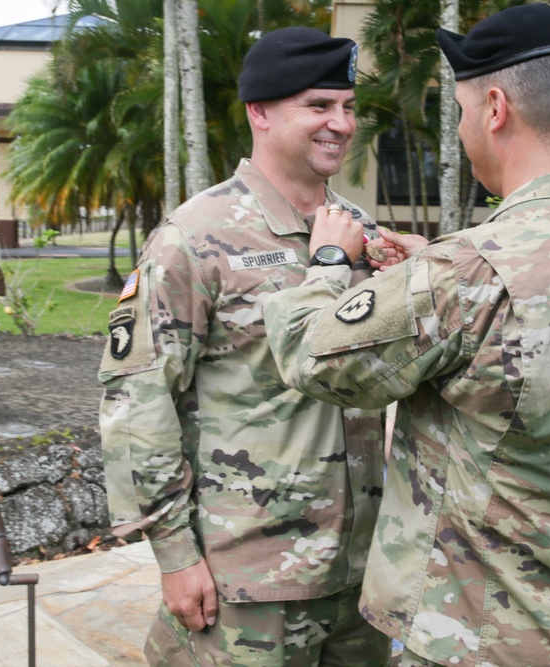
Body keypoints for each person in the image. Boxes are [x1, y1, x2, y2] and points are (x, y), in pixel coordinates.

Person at [263, 5, 550, 666]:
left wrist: (330, 263)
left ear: (496, 108)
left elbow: (312, 353)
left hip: (479, 639)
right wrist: (434, 264)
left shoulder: (466, 272)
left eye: (465, 111)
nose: (466, 128)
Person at [98, 27, 389, 667]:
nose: (340, 124)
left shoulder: (360, 232)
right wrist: (175, 556)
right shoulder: (194, 236)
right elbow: (136, 401)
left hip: (362, 574)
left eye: (347, 107)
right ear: (259, 111)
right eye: (318, 106)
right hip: (250, 578)